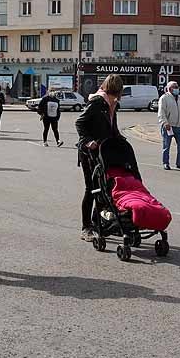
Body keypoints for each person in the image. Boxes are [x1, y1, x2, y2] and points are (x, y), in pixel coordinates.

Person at [76, 74, 123, 240]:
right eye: (115, 93)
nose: (116, 97)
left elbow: (112, 125)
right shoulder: (97, 102)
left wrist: (119, 137)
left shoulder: (113, 103)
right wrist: (89, 141)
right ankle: (86, 227)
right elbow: (80, 122)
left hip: (105, 151)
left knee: (105, 189)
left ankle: (99, 223)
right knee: (91, 189)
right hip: (89, 152)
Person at [157, 81, 180, 171]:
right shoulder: (164, 98)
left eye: (177, 86)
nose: (177, 88)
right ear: (170, 88)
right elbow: (161, 112)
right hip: (169, 126)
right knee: (166, 146)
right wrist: (165, 123)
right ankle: (166, 163)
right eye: (175, 87)